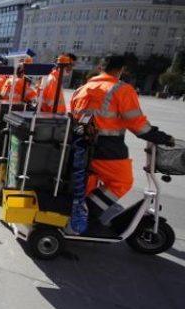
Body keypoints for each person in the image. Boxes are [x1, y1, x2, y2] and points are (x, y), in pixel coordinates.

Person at [70, 55, 175, 227]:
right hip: (108, 148)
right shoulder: (121, 89)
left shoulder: (81, 89)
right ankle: (86, 213)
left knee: (90, 180)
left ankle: (80, 212)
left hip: (81, 145)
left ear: (101, 68)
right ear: (121, 70)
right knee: (121, 182)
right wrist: (162, 138)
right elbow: (139, 126)